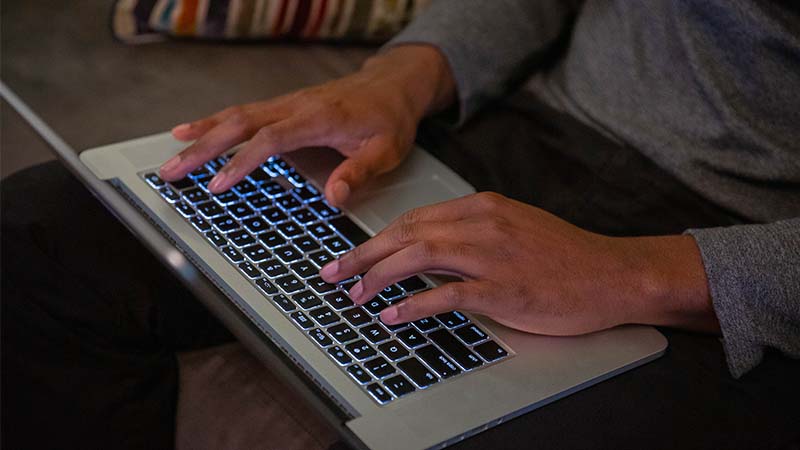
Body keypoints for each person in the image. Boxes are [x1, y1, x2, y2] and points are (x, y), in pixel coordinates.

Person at [3, 1, 799, 449]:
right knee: (35, 236)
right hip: (513, 123)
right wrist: (399, 76)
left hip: (741, 249)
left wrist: (646, 273)